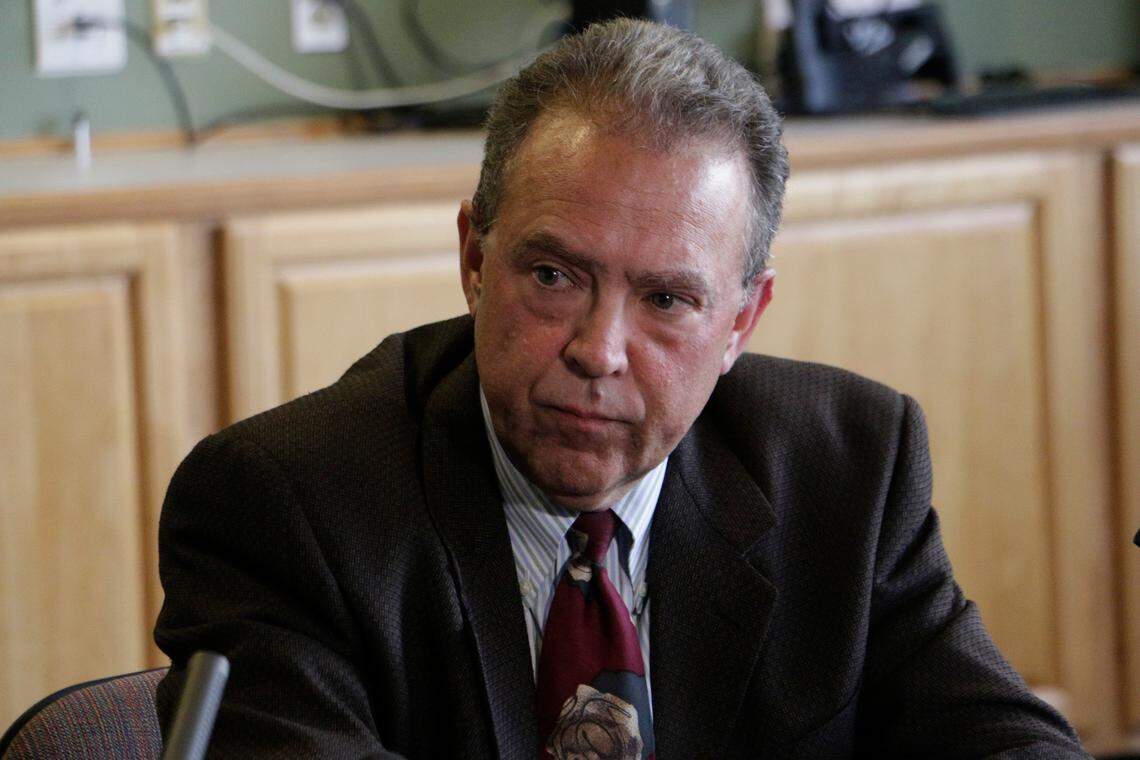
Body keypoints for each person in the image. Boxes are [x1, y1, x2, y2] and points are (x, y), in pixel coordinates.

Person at [154, 18, 1088, 759]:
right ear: (476, 258)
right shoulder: (282, 505)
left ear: (740, 323)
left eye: (668, 299)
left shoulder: (848, 467)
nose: (599, 352)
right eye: (554, 277)